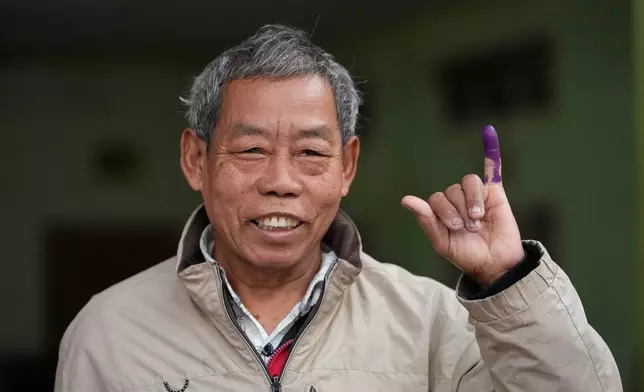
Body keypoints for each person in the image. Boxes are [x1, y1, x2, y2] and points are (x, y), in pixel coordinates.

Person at [54, 24, 622, 392]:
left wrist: (507, 280)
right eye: (251, 150)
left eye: (310, 152)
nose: (281, 181)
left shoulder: (431, 324)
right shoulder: (107, 332)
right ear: (195, 159)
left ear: (347, 166)